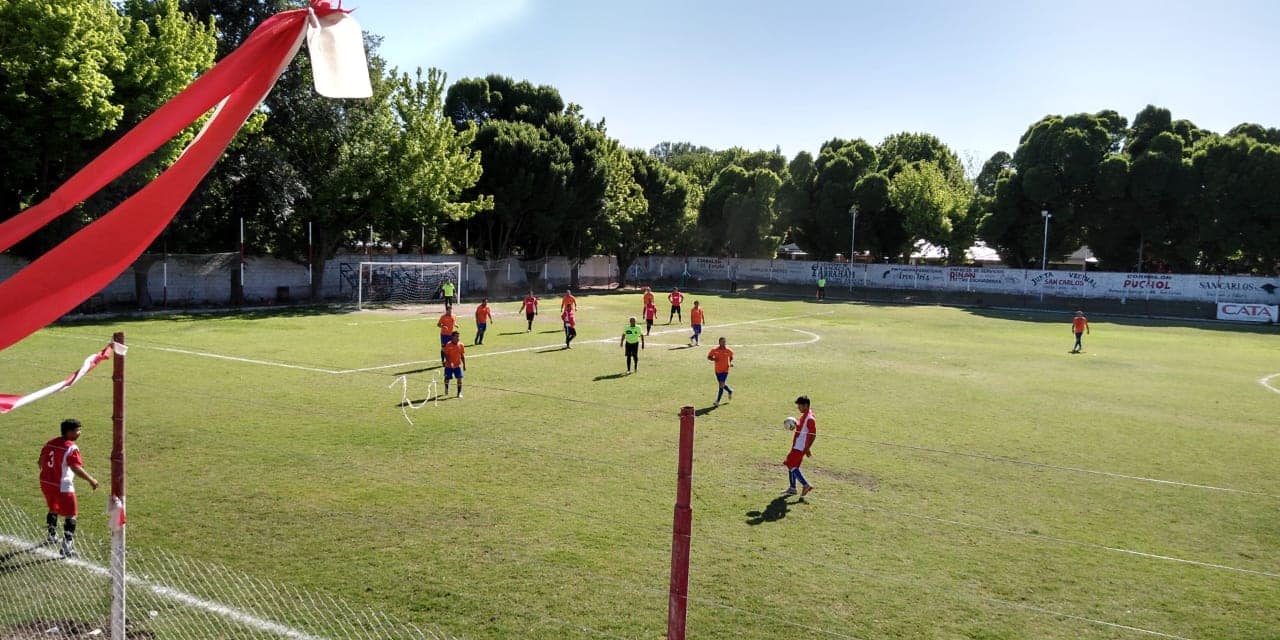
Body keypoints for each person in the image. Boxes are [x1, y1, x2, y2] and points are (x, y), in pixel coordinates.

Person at [39, 419, 99, 556]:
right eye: (78, 430)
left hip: (45, 482)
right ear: (69, 432)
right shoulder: (71, 448)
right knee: (71, 515)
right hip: (62, 486)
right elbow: (75, 467)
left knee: (53, 508)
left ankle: (51, 535)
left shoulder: (50, 442)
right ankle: (67, 546)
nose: (80, 433)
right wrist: (91, 480)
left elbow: (40, 461)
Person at [783, 396, 816, 497]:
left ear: (805, 405)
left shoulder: (810, 418)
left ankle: (805, 485)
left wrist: (807, 448)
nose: (798, 408)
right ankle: (792, 488)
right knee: (793, 466)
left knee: (790, 464)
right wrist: (795, 425)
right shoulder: (804, 416)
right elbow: (803, 430)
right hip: (797, 445)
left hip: (800, 447)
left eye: (799, 406)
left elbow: (813, 435)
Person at [706, 336, 734, 406]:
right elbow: (709, 357)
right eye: (722, 342)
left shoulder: (728, 350)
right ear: (719, 342)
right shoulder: (714, 350)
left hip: (725, 370)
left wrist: (730, 363)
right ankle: (729, 390)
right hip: (717, 370)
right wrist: (714, 359)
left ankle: (717, 401)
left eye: (724, 342)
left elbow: (731, 357)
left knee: (721, 385)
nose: (724, 343)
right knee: (722, 384)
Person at [442, 331, 466, 398]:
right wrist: (450, 363)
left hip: (457, 365)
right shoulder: (448, 344)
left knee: (459, 379)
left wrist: (464, 365)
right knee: (447, 379)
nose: (458, 338)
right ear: (452, 337)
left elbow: (462, 355)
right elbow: (446, 355)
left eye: (458, 336)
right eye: (456, 336)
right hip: (448, 366)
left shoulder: (461, 345)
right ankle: (446, 388)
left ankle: (459, 393)